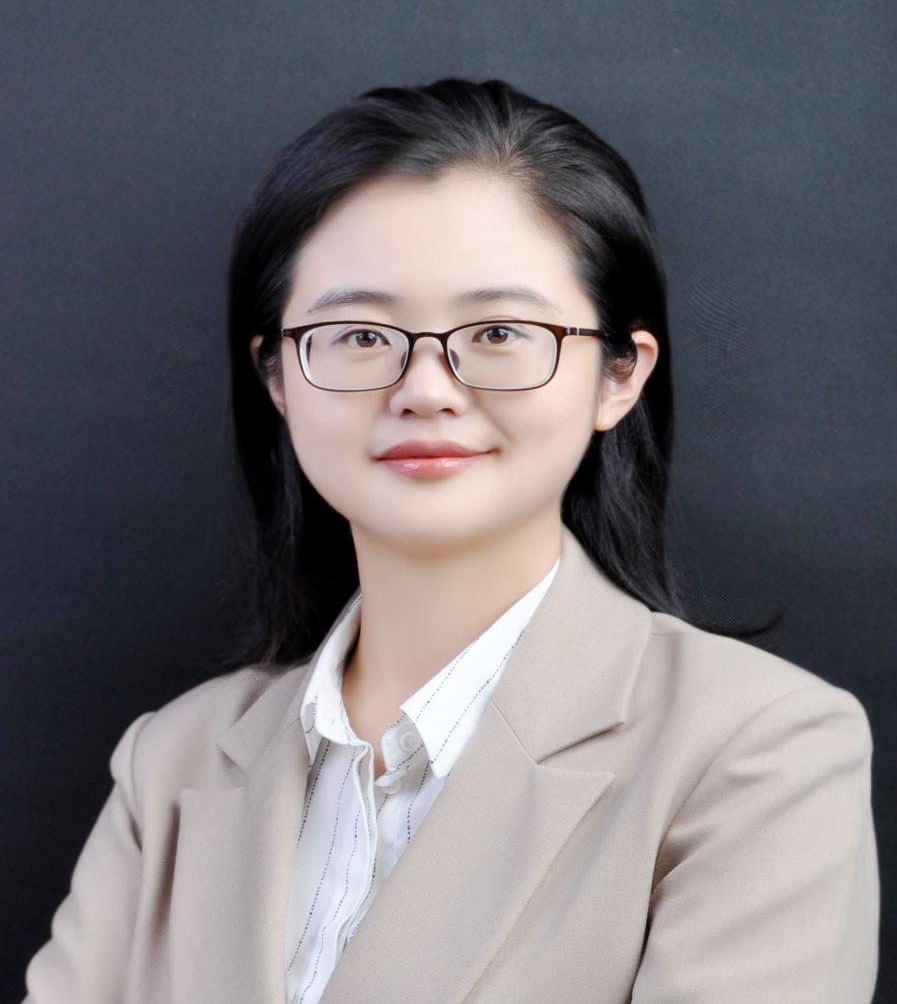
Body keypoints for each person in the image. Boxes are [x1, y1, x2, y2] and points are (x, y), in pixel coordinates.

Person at [22, 77, 879, 1004]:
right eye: (358, 335)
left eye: (500, 330)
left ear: (618, 378)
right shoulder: (171, 762)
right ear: (276, 378)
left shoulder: (758, 749)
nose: (425, 390)